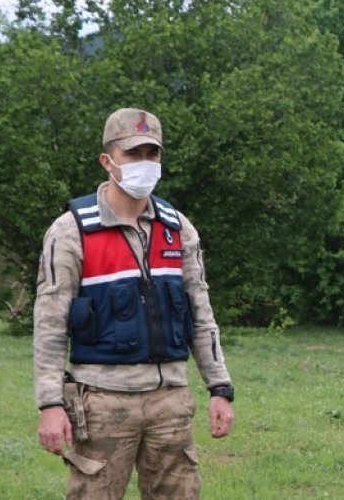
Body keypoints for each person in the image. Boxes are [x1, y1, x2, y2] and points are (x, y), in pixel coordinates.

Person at [34, 107, 235, 499]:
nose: (145, 163)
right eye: (134, 154)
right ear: (108, 160)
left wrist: (220, 387)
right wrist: (50, 404)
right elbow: (50, 324)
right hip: (103, 403)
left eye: (152, 154)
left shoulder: (178, 228)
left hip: (170, 401)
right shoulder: (71, 231)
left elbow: (201, 315)